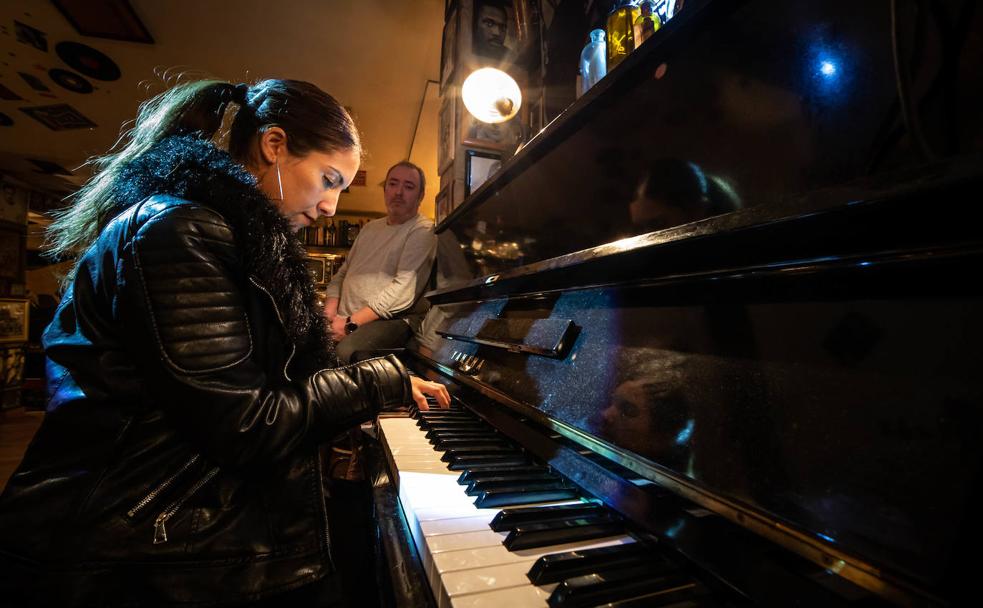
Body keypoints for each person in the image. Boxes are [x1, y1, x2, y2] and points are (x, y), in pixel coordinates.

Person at [0, 78, 449, 607]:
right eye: (328, 180)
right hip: (135, 541)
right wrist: (382, 380)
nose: (331, 206)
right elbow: (247, 425)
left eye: (341, 191)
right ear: (274, 145)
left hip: (173, 513)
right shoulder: (181, 231)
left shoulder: (213, 227)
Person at [324, 161, 437, 364]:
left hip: (390, 321)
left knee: (344, 353)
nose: (399, 192)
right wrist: (328, 315)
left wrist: (349, 324)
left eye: (409, 187)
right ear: (385, 190)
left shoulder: (423, 230)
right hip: (343, 318)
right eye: (393, 184)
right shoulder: (369, 229)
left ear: (421, 196)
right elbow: (341, 275)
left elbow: (402, 293)